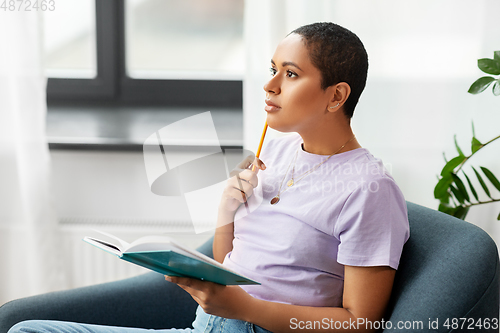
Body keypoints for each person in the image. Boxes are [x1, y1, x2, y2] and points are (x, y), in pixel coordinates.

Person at [9, 22, 409, 333]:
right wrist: (226, 209)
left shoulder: (369, 189)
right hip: (206, 325)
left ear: (336, 96)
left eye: (290, 74)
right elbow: (229, 263)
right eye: (272, 69)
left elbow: (361, 322)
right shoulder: (275, 149)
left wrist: (245, 308)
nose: (269, 85)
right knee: (27, 328)